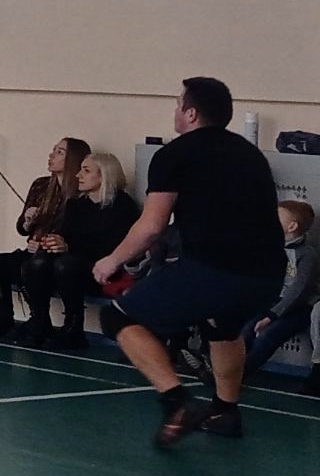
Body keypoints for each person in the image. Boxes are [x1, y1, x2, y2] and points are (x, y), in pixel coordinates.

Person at [94, 77, 286, 445]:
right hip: (267, 275)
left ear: (191, 113)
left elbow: (152, 226)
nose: (175, 110)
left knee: (117, 317)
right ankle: (225, 412)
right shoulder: (250, 155)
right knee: (223, 328)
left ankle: (177, 402)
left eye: (178, 103)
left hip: (214, 269)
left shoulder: (174, 155)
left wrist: (111, 260)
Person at [21, 151, 140, 350]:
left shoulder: (123, 206)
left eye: (86, 171)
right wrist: (51, 242)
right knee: (37, 262)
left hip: (101, 271)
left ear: (103, 175)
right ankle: (40, 322)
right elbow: (64, 236)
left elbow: (114, 248)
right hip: (69, 265)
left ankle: (74, 326)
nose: (78, 175)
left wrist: (69, 247)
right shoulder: (75, 204)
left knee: (65, 265)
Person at [0, 137, 92, 341]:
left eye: (59, 152)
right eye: (53, 150)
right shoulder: (40, 185)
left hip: (55, 257)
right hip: (33, 251)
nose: (51, 155)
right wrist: (27, 221)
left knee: (35, 266)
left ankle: (40, 320)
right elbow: (22, 229)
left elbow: (75, 234)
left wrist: (45, 245)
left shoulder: (80, 192)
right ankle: (4, 316)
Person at [240, 201, 317, 377]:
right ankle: (226, 370)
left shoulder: (307, 255)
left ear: (292, 226)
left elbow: (298, 291)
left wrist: (272, 315)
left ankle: (242, 372)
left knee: (268, 334)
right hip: (271, 302)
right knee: (245, 329)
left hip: (298, 308)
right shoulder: (270, 248)